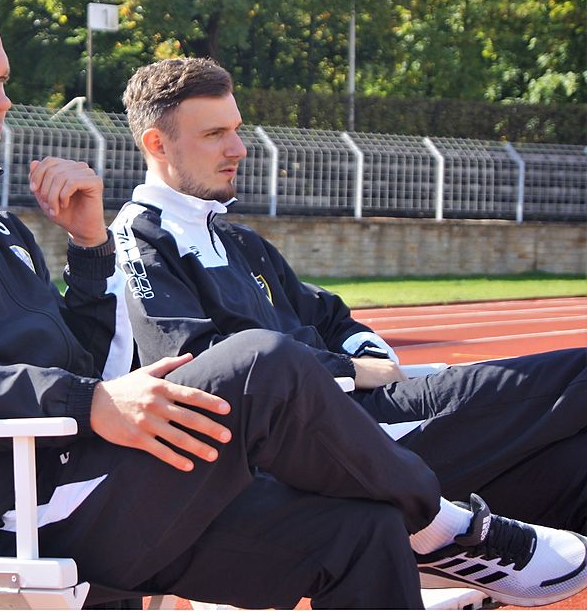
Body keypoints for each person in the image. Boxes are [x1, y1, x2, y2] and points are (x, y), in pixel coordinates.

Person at [0, 0, 587, 609]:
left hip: (96, 477)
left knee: (359, 531)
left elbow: (93, 358)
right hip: (11, 513)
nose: (2, 99)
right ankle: (441, 523)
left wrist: (91, 250)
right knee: (260, 362)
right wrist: (87, 403)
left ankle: (412, 522)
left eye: (2, 79)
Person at [110, 56, 587, 535]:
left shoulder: (239, 239)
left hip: (367, 417)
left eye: (237, 129)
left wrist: (370, 358)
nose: (239, 148)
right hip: (316, 448)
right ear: (157, 143)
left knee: (576, 467)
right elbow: (199, 370)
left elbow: (332, 317)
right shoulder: (138, 239)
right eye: (215, 134)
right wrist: (352, 372)